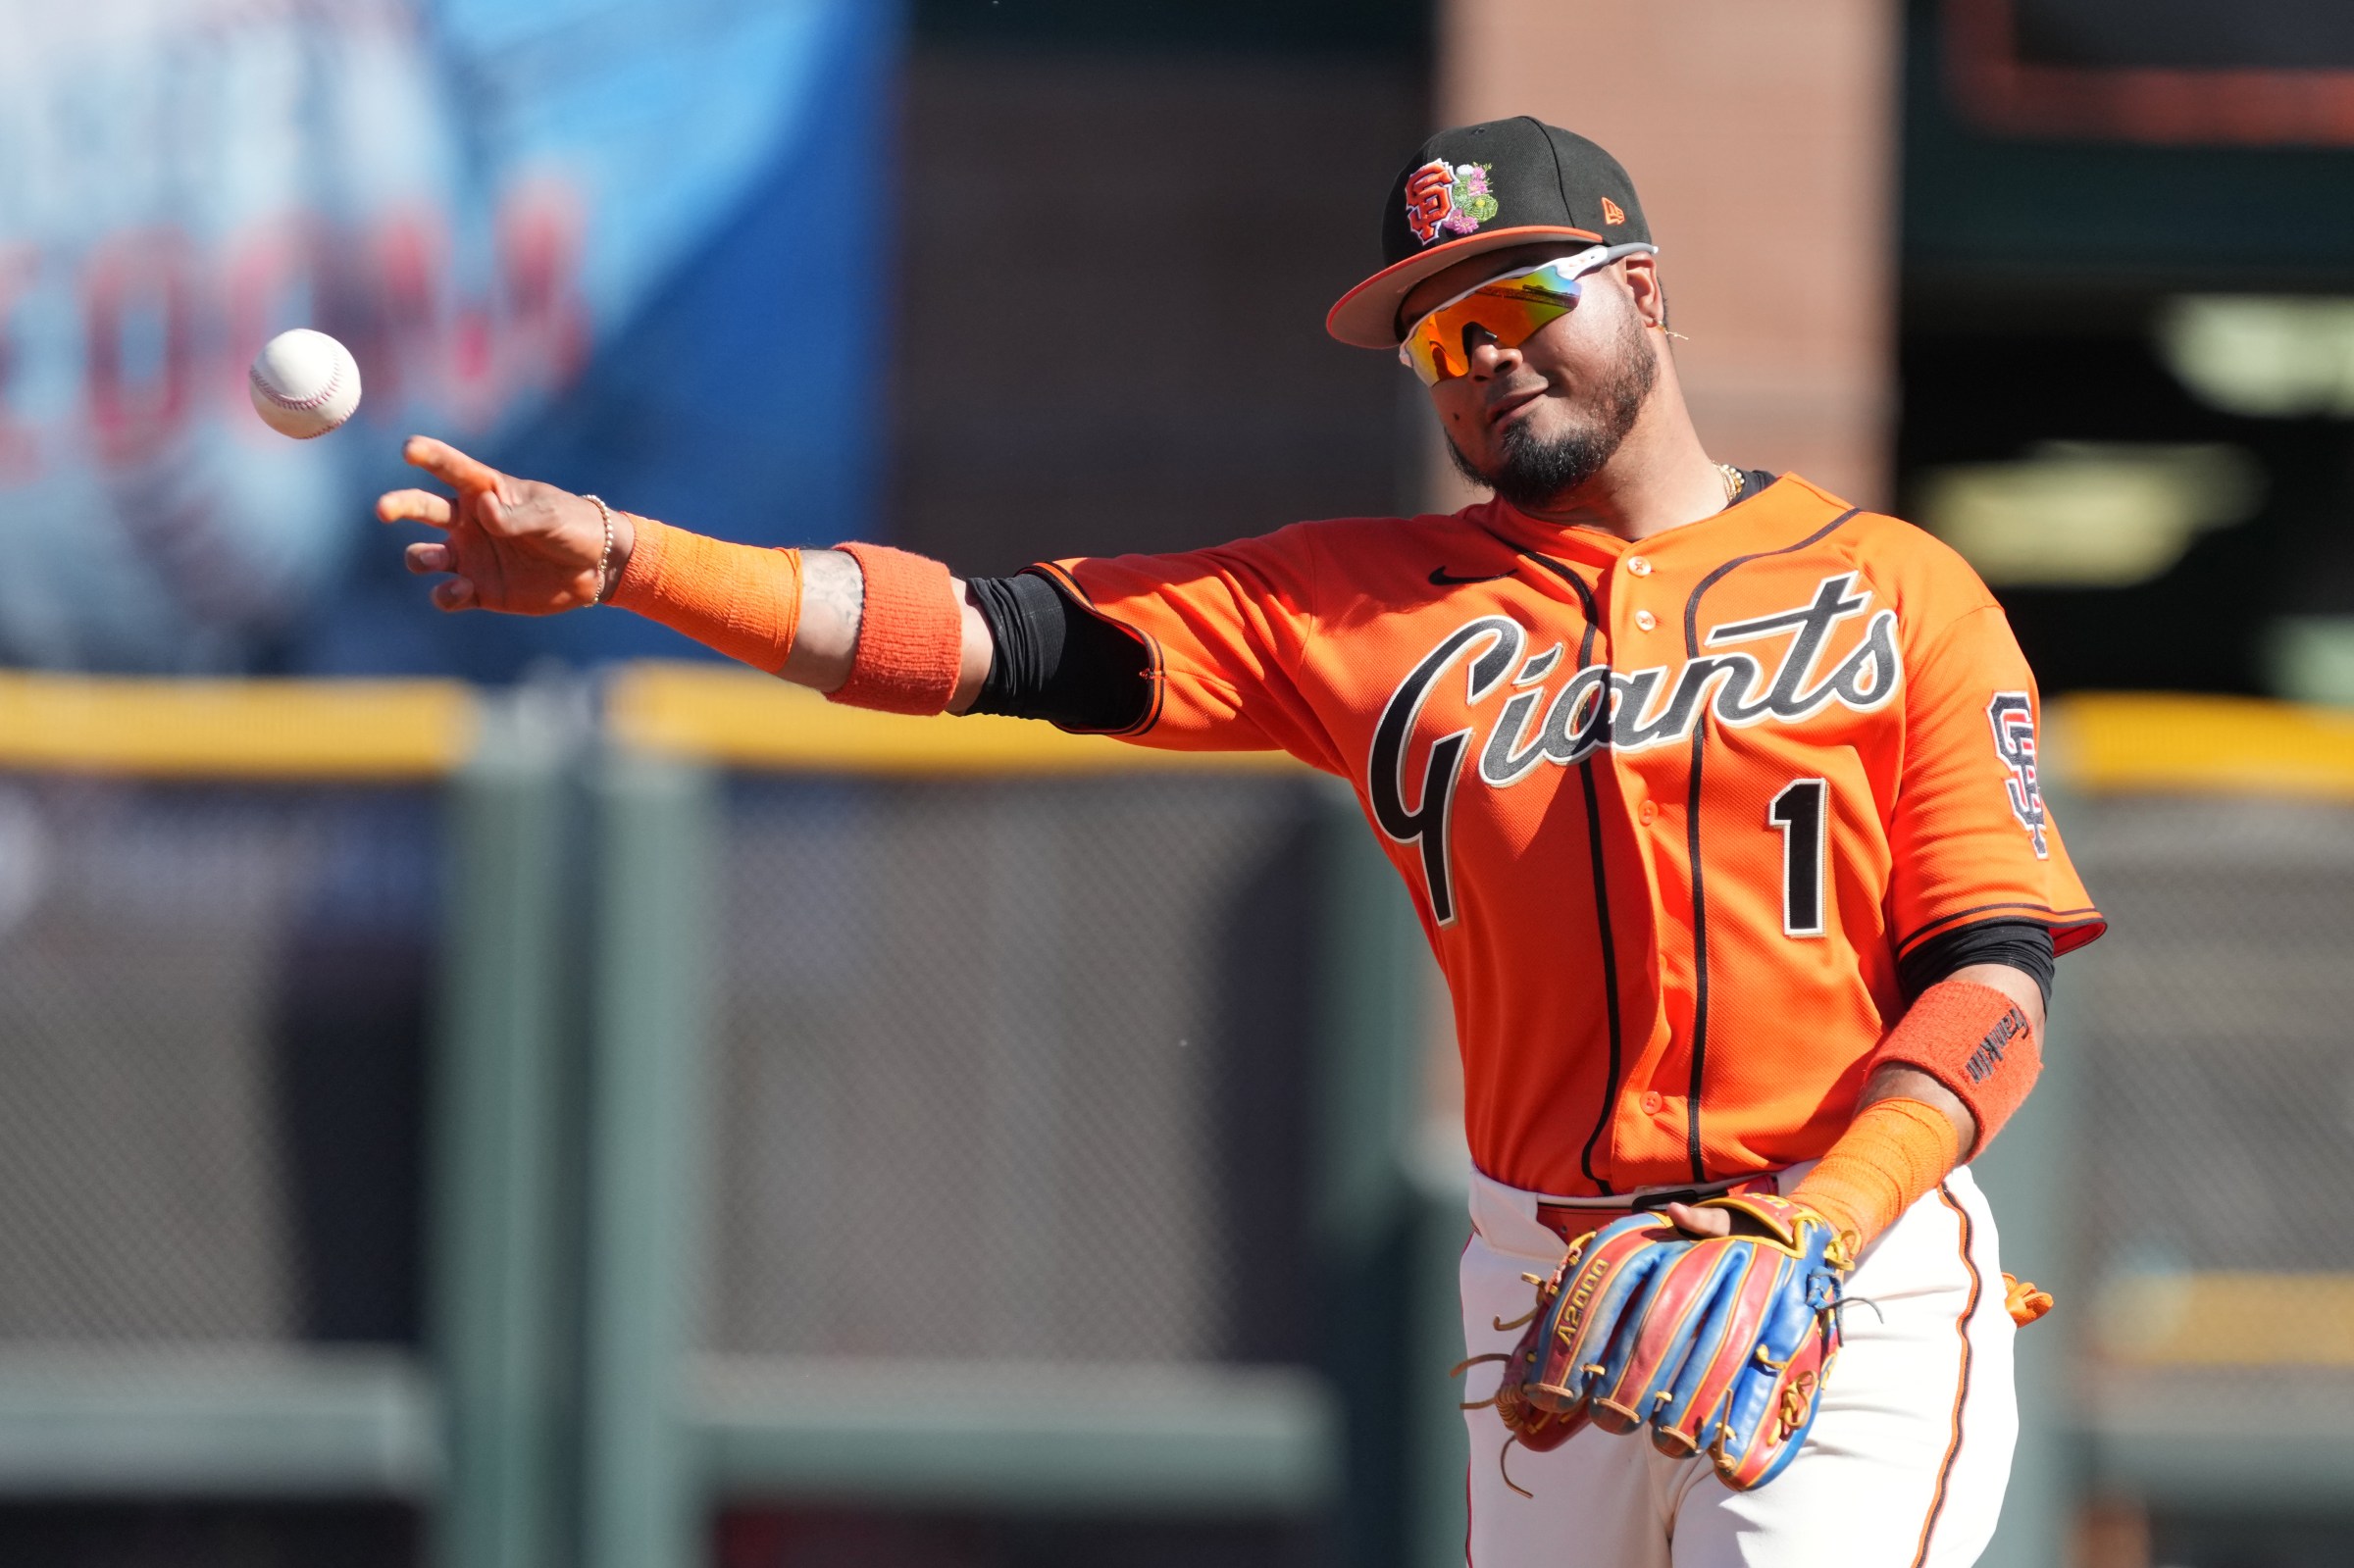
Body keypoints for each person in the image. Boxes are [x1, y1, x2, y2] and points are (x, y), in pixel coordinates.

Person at [381, 117, 2102, 1567]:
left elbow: (1995, 980)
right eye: (1440, 340)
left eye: (1517, 299)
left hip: (1844, 1265)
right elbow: (973, 638)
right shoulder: (1357, 601)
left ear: (1641, 291)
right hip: (1552, 1283)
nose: (1486, 357)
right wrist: (631, 557)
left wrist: (1821, 1225)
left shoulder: (1901, 589)